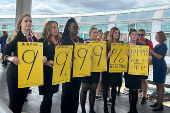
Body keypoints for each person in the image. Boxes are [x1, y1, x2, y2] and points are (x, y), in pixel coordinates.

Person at [2, 14, 47, 113]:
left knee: (21, 103)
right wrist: (11, 58)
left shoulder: (34, 39)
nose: (28, 23)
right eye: (26, 21)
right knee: (14, 105)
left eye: (30, 21)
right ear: (20, 23)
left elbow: (36, 56)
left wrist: (42, 58)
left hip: (27, 76)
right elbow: (4, 55)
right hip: (15, 75)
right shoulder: (15, 37)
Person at [124, 28, 151, 113]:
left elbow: (144, 57)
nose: (135, 36)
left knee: (135, 89)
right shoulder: (125, 45)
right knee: (131, 90)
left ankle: (134, 109)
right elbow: (121, 58)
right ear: (129, 35)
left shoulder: (141, 45)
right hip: (128, 69)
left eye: (136, 34)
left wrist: (148, 59)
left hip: (138, 69)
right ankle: (131, 109)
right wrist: (126, 57)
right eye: (133, 34)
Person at [60, 18, 84, 113]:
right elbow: (61, 54)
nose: (76, 29)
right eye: (74, 27)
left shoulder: (80, 40)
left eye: (77, 27)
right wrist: (69, 57)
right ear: (69, 28)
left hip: (78, 70)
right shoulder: (64, 39)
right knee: (66, 93)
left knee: (75, 93)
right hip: (67, 70)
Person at [38, 21, 60, 113]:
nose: (56, 29)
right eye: (53, 27)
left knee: (50, 97)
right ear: (48, 28)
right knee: (47, 97)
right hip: (46, 73)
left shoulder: (60, 41)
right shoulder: (42, 41)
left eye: (57, 27)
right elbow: (36, 58)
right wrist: (45, 62)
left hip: (57, 73)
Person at [102, 27, 123, 113]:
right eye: (115, 33)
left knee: (114, 88)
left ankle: (113, 105)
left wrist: (127, 55)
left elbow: (123, 57)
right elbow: (103, 59)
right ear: (111, 34)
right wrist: (108, 56)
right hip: (107, 69)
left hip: (116, 69)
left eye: (118, 33)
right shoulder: (106, 43)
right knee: (105, 87)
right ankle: (105, 105)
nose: (117, 35)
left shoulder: (121, 44)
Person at [80, 27, 100, 113]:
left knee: (93, 89)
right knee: (84, 88)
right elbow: (80, 54)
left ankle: (91, 109)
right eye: (94, 33)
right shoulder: (84, 42)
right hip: (86, 68)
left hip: (95, 69)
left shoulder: (100, 43)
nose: (96, 34)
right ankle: (83, 109)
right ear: (90, 33)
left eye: (97, 33)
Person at [149, 31, 167, 111]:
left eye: (156, 36)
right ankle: (158, 101)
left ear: (160, 36)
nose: (155, 37)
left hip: (161, 67)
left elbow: (159, 56)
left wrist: (151, 51)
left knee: (160, 84)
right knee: (157, 84)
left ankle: (160, 103)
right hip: (156, 67)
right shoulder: (157, 45)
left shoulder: (163, 45)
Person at [137, 29, 153, 104]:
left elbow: (152, 52)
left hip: (145, 65)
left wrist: (148, 49)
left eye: (142, 35)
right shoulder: (135, 41)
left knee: (144, 80)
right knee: (136, 80)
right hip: (136, 64)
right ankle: (136, 95)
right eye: (139, 35)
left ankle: (144, 96)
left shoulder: (148, 42)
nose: (140, 36)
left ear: (145, 35)